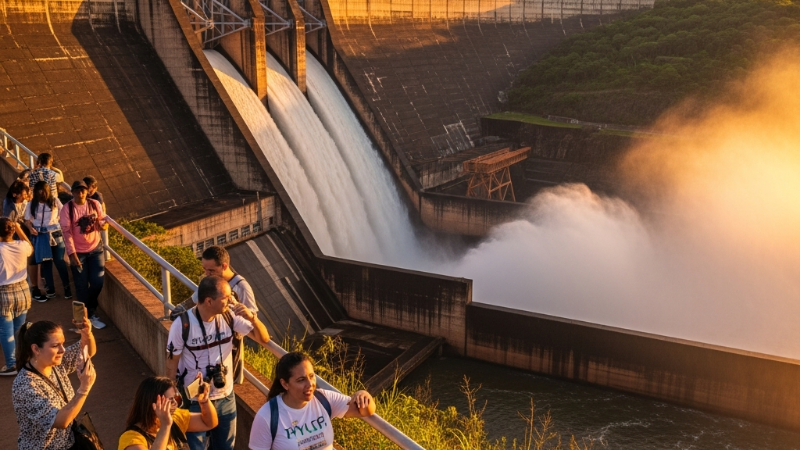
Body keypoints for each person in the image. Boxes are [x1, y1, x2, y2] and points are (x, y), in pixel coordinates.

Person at [165, 276, 271, 450]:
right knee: (197, 447)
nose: (231, 301)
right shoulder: (182, 325)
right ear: (209, 301)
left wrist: (252, 317)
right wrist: (170, 394)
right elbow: (172, 362)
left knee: (225, 447)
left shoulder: (229, 316)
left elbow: (263, 338)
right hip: (194, 398)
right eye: (226, 298)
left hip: (225, 395)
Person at [248, 352, 376, 450]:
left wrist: (363, 394)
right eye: (301, 380)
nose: (310, 384)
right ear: (285, 384)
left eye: (311, 376)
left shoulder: (324, 399)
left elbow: (366, 410)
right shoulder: (267, 416)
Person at [12, 317, 97, 450]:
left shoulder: (54, 363)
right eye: (55, 345)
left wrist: (87, 333)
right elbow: (60, 421)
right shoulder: (25, 385)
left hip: (68, 443)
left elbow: (87, 351)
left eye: (62, 343)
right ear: (36, 349)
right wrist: (84, 389)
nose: (62, 350)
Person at [118, 375, 219, 450]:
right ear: (153, 404)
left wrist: (204, 402)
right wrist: (166, 426)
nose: (175, 403)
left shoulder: (175, 417)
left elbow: (209, 423)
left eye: (177, 398)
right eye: (170, 400)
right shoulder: (131, 439)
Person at [60, 180, 107, 330]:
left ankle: (91, 312)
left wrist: (103, 225)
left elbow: (101, 221)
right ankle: (81, 321)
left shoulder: (94, 204)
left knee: (97, 282)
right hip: (78, 252)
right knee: (81, 286)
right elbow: (66, 233)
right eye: (78, 191)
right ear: (72, 192)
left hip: (95, 249)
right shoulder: (67, 209)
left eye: (83, 190)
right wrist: (72, 254)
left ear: (87, 192)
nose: (81, 193)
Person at [25, 181, 71, 301]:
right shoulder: (31, 204)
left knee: (59, 261)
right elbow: (27, 220)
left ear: (47, 191)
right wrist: (30, 228)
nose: (41, 193)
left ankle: (67, 287)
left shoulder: (55, 201)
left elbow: (64, 215)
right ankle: (51, 289)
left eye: (43, 190)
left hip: (55, 234)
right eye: (39, 191)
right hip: (40, 236)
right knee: (46, 263)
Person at [0, 218, 33, 375]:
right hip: (23, 290)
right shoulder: (22, 246)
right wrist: (19, 228)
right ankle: (23, 360)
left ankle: (12, 364)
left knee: (5, 331)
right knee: (19, 329)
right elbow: (29, 246)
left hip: (3, 293)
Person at [188, 246, 258, 312]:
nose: (206, 273)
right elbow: (191, 303)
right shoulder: (209, 281)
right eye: (204, 269)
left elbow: (252, 318)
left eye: (211, 270)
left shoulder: (242, 287)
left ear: (224, 266)